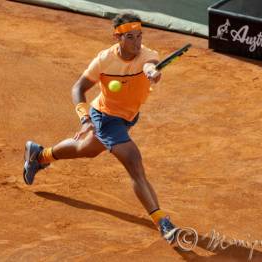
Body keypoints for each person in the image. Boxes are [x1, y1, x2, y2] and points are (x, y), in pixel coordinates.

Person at [22, 12, 179, 244]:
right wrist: (85, 119)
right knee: (133, 161)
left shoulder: (148, 54)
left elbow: (150, 65)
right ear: (118, 37)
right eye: (131, 38)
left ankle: (40, 155)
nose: (137, 42)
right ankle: (162, 221)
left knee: (87, 149)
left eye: (139, 36)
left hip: (127, 117)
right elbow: (78, 88)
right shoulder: (104, 60)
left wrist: (151, 72)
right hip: (105, 117)